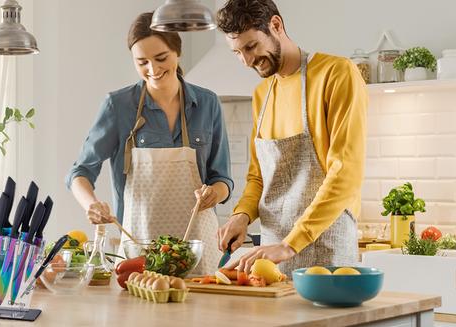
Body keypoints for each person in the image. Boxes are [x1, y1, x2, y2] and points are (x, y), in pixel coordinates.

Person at [65, 12, 233, 275]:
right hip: (138, 249)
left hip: (199, 250)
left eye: (161, 58)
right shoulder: (118, 106)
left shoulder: (208, 104)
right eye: (142, 62)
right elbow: (80, 172)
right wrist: (91, 205)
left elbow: (222, 178)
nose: (153, 70)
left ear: (177, 52)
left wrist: (215, 193)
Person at [215, 0, 367, 276]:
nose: (246, 61)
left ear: (276, 25)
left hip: (326, 250)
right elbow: (258, 178)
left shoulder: (336, 74)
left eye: (251, 47)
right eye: (237, 52)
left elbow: (344, 172)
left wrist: (290, 245)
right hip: (271, 257)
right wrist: (242, 216)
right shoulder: (263, 94)